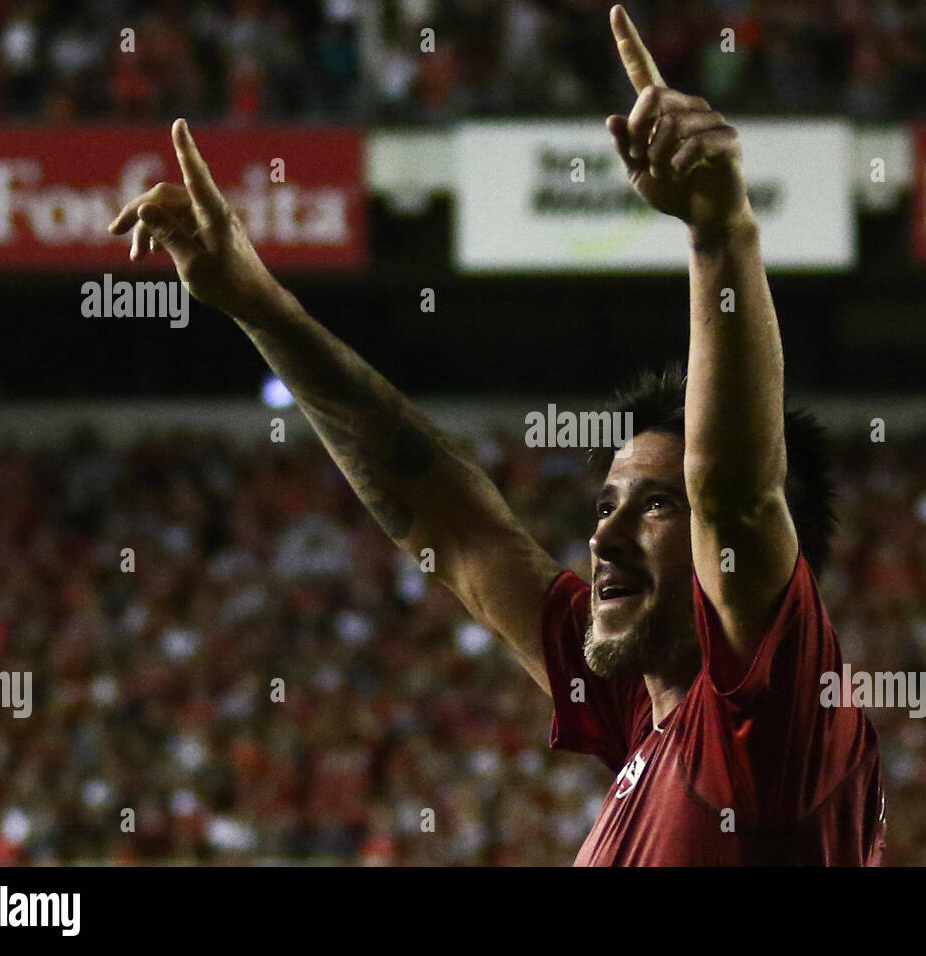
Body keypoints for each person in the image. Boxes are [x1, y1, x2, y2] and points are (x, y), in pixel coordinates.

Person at [108, 4, 884, 866]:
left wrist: (719, 230)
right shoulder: (644, 713)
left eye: (659, 505)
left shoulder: (769, 724)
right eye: (607, 503)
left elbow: (737, 497)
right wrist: (262, 308)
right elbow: (454, 528)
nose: (604, 534)